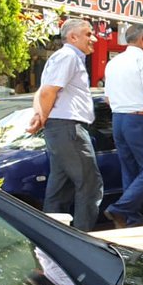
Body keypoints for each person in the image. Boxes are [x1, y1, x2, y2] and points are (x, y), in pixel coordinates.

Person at [25, 18, 103, 231]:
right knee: (90, 185)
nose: (93, 39)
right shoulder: (68, 56)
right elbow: (47, 92)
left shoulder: (64, 57)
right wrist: (41, 117)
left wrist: (40, 116)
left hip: (62, 128)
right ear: (73, 37)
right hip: (68, 128)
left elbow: (43, 91)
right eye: (88, 34)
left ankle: (51, 236)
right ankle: (82, 239)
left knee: (61, 188)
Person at [102, 25, 143, 228]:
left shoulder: (113, 62)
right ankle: (120, 209)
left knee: (129, 169)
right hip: (139, 120)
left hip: (118, 119)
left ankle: (132, 219)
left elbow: (107, 99)